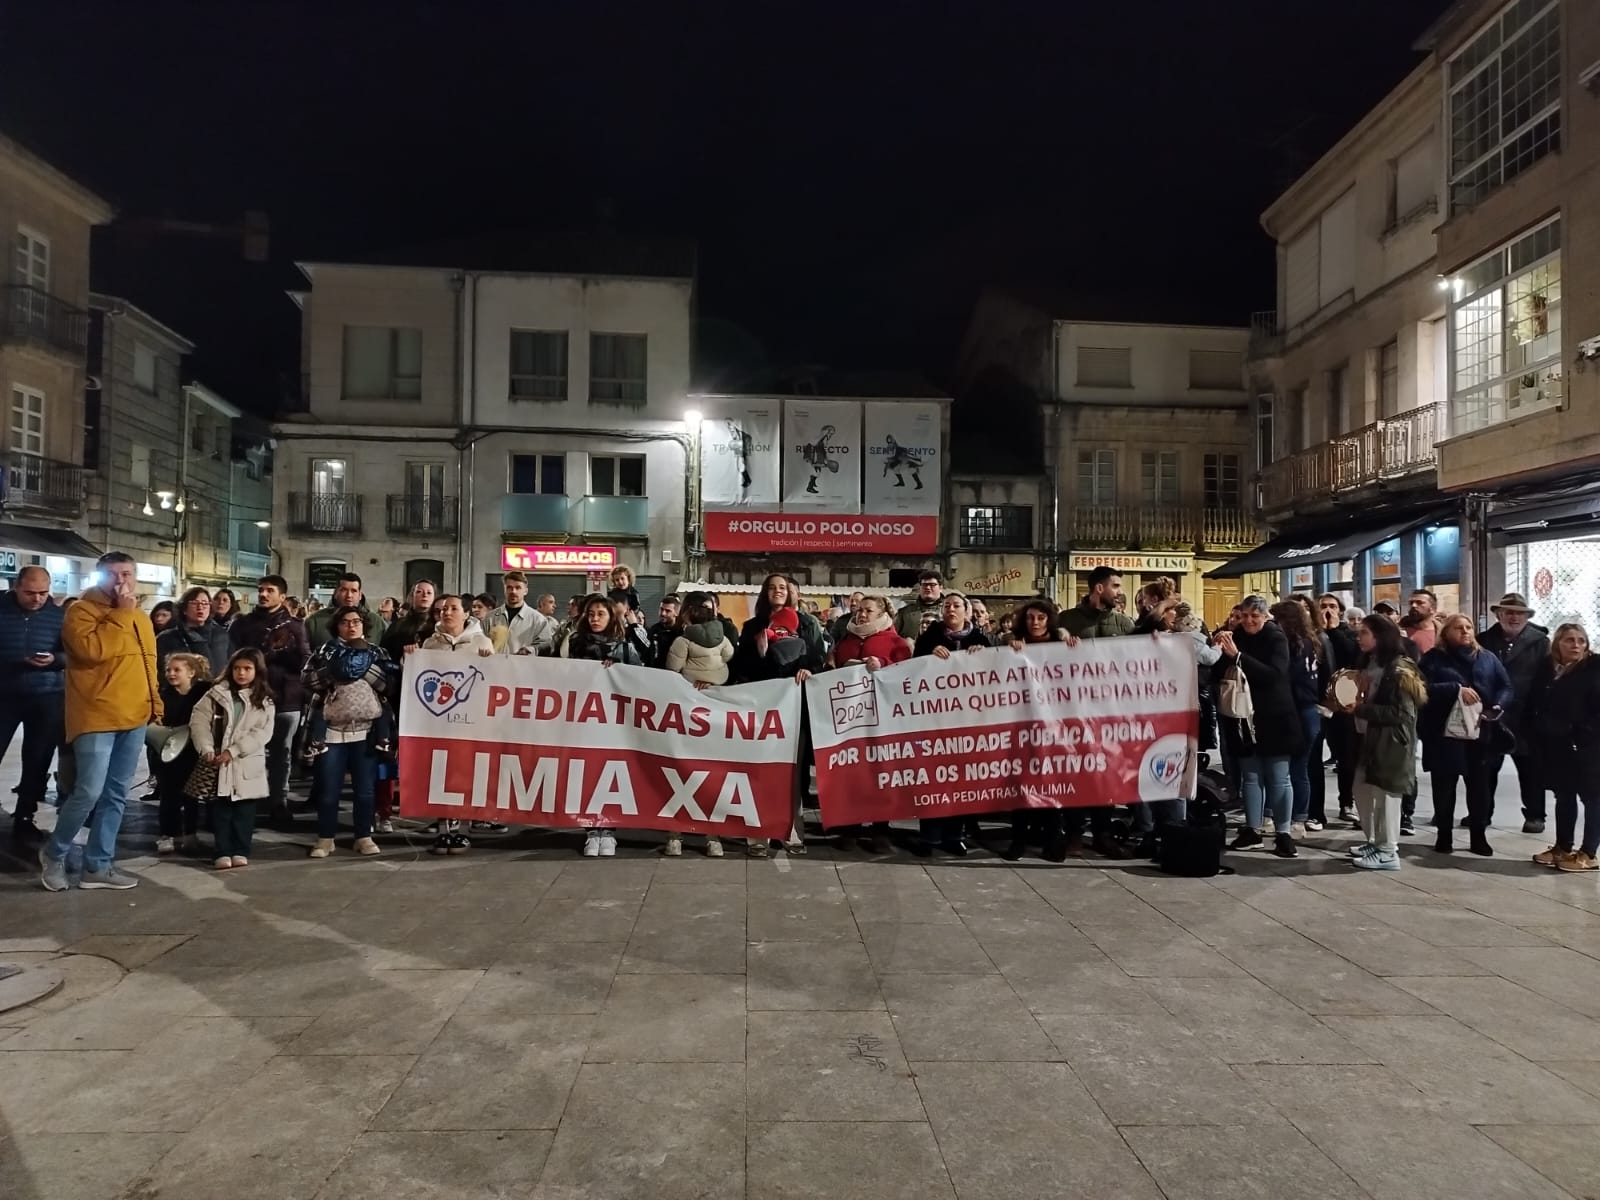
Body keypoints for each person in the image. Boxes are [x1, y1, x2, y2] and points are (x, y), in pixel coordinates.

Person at [40, 551, 161, 891]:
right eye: (113, 574)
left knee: (116, 793)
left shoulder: (140, 616)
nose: (121, 581)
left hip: (134, 713)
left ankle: (98, 865)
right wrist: (121, 616)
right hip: (95, 714)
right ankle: (54, 853)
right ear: (99, 577)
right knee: (88, 791)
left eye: (126, 573)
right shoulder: (81, 612)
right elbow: (92, 652)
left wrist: (155, 701)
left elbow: (148, 661)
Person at [1213, 594, 1302, 858]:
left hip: (1274, 717)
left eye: (1255, 616)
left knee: (1279, 778)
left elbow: (1274, 674)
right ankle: (1251, 829)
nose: (1249, 621)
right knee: (1251, 777)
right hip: (1242, 717)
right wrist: (1218, 649)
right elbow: (1217, 673)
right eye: (1245, 616)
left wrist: (1238, 657)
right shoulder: (1233, 636)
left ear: (1265, 617)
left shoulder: (1276, 637)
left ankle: (1283, 833)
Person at [1418, 614, 1514, 856]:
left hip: (1480, 734)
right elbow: (1420, 689)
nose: (1465, 632)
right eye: (1458, 628)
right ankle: (1444, 835)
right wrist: (1455, 689)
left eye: (1468, 627)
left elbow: (1505, 686)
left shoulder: (1487, 658)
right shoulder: (1433, 660)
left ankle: (1478, 836)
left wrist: (1498, 707)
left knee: (1479, 787)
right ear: (1446, 633)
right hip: (1444, 734)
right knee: (1444, 786)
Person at [1337, 614, 1427, 871]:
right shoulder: (1369, 663)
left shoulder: (1400, 669)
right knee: (1363, 791)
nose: (1358, 637)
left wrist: (1361, 709)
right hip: (1368, 739)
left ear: (1380, 636)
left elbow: (1402, 714)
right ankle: (1375, 842)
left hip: (1391, 743)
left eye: (1364, 632)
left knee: (1386, 797)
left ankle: (1389, 851)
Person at [561, 594, 647, 858]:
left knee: (610, 775)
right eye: (591, 614)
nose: (595, 619)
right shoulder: (574, 642)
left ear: (611, 617)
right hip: (584, 720)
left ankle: (608, 829)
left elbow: (640, 677)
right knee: (587, 774)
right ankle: (590, 829)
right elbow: (563, 674)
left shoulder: (623, 647)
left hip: (615, 723)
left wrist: (618, 670)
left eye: (601, 614)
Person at [303, 606, 391, 860]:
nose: (351, 626)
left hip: (366, 731)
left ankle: (363, 836)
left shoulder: (377, 652)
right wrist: (338, 670)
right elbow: (307, 680)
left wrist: (364, 668)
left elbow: (390, 685)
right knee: (329, 790)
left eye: (356, 621)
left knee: (365, 790)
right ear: (336, 626)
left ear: (364, 625)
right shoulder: (324, 652)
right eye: (345, 622)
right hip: (330, 731)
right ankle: (325, 838)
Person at [829, 594, 912, 855]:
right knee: (852, 774)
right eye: (860, 610)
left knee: (880, 773)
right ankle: (850, 828)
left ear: (882, 613)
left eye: (868, 611)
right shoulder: (846, 640)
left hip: (882, 719)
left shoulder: (896, 642)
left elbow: (906, 675)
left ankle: (880, 830)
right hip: (850, 719)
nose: (861, 614)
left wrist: (884, 665)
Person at [997, 598, 1078, 862]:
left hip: (1055, 723)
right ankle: (1018, 841)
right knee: (1022, 782)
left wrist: (1071, 648)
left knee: (1053, 782)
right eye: (1031, 617)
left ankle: (1053, 840)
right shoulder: (1013, 640)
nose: (1035, 623)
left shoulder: (1061, 641)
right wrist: (1009, 648)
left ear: (1049, 619)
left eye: (1041, 618)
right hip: (1021, 722)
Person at [659, 598, 737, 857]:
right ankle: (712, 836)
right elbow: (729, 657)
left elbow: (672, 669)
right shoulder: (723, 637)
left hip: (686, 711)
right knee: (711, 773)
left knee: (679, 772)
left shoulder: (682, 641)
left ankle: (675, 836)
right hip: (715, 711)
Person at [230, 574, 310, 824]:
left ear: (282, 596)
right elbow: (232, 658)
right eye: (261, 589)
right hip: (250, 698)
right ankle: (244, 798)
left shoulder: (296, 626)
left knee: (281, 753)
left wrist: (286, 653)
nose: (263, 594)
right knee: (245, 749)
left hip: (285, 698)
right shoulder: (243, 624)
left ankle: (278, 800)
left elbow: (305, 662)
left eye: (270, 590)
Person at [190, 647, 275, 870]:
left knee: (244, 813)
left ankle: (241, 849)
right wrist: (206, 747)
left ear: (257, 670)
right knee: (221, 811)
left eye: (247, 668)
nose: (241, 673)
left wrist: (235, 750)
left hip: (246, 764)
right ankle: (222, 850)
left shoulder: (264, 701)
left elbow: (262, 732)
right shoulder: (216, 694)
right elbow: (199, 720)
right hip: (218, 762)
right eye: (237, 668)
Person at [1525, 623, 1600, 871]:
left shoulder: (1594, 667)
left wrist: (1581, 731)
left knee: (1592, 797)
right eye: (1569, 640)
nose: (1576, 645)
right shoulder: (1550, 668)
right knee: (1564, 794)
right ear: (1558, 643)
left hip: (1588, 745)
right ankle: (1562, 847)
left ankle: (1589, 853)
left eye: (1581, 640)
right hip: (1557, 743)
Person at [1477, 592, 1552, 834]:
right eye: (1508, 612)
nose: (1514, 617)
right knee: (1486, 770)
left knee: (1531, 770)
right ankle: (1481, 813)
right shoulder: (1483, 640)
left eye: (1519, 613)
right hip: (1492, 715)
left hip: (1526, 717)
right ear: (1498, 615)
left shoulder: (1540, 642)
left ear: (1527, 617)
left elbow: (1547, 678)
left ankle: (1535, 815)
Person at [1, 565, 66, 840]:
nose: (37, 598)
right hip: (4, 693)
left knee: (38, 758)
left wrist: (56, 660)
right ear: (16, 587)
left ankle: (25, 816)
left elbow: (72, 654)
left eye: (43, 593)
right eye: (30, 592)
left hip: (47, 694)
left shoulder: (59, 616)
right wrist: (15, 662)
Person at [1272, 600, 1325, 836]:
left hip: (1300, 708)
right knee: (1299, 767)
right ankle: (1298, 817)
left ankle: (1297, 816)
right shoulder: (1311, 641)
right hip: (1309, 708)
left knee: (1296, 768)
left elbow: (1287, 677)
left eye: (1277, 620)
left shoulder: (1294, 644)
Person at [153, 651, 210, 854]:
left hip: (193, 753)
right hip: (169, 755)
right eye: (168, 670)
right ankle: (168, 834)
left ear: (191, 672)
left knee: (191, 796)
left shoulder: (203, 693)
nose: (171, 673)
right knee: (169, 796)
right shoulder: (162, 696)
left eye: (177, 670)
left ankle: (190, 835)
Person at [1317, 593, 1361, 823]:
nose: (1327, 610)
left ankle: (1347, 802)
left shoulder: (1348, 634)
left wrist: (1333, 629)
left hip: (1342, 702)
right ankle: (1315, 809)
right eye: (1323, 606)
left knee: (1347, 755)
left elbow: (1352, 656)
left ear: (1340, 611)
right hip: (1318, 701)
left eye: (1332, 606)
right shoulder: (1312, 633)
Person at [157, 587, 231, 674]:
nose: (200, 607)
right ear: (184, 609)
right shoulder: (167, 638)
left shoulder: (221, 635)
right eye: (194, 603)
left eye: (205, 603)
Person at [306, 573, 386, 649]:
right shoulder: (315, 621)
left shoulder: (377, 622)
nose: (349, 595)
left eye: (354, 591)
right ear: (336, 593)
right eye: (344, 590)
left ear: (360, 595)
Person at [488, 570, 556, 655]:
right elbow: (479, 641)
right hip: (494, 667)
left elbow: (546, 645)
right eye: (509, 587)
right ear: (504, 590)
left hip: (523, 667)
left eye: (518, 587)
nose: (513, 591)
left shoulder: (538, 620)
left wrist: (531, 650)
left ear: (525, 591)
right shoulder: (490, 618)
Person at [1060, 566, 1136, 638]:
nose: (1120, 592)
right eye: (1115, 586)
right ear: (1099, 588)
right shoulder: (1065, 620)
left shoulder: (1125, 624)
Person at [894, 570, 944, 639]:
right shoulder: (904, 613)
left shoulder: (949, 612)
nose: (928, 588)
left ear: (940, 588)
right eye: (924, 585)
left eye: (932, 585)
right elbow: (892, 638)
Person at [645, 595, 683, 667]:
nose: (663, 613)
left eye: (668, 611)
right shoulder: (654, 629)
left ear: (676, 613)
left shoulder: (681, 632)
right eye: (661, 609)